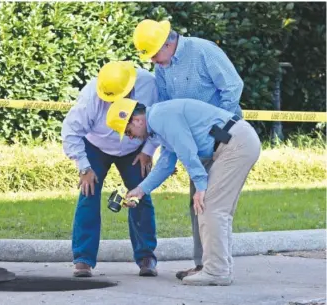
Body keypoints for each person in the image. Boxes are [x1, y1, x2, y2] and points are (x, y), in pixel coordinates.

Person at [133, 19, 245, 279]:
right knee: (199, 204)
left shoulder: (202, 51)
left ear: (167, 43)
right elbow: (169, 118)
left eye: (153, 54)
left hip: (223, 141)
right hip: (195, 145)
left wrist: (218, 131)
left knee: (211, 205)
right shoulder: (163, 69)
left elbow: (232, 87)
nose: (152, 62)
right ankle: (203, 265)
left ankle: (216, 269)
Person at [106, 98, 261, 285]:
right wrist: (140, 190)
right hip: (234, 142)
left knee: (210, 208)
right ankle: (219, 268)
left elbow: (186, 149)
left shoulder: (160, 117)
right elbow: (166, 162)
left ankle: (216, 271)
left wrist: (200, 186)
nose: (131, 137)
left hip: (235, 145)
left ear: (137, 120)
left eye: (128, 132)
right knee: (216, 211)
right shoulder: (158, 123)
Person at [61, 61, 160, 277]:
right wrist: (84, 167)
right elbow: (70, 131)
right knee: (89, 194)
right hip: (96, 146)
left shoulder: (149, 86)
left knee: (140, 195)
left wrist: (148, 150)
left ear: (130, 89)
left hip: (135, 149)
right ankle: (83, 259)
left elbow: (160, 119)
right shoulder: (91, 95)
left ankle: (146, 257)